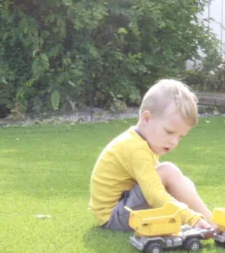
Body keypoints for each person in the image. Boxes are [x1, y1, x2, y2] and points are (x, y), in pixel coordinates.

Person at [90, 79, 215, 232]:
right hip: (115, 217)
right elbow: (154, 195)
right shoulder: (135, 148)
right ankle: (211, 224)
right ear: (146, 118)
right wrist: (191, 218)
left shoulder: (139, 142)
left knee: (183, 182)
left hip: (124, 208)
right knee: (168, 171)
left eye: (180, 136)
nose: (174, 141)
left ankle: (198, 221)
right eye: (169, 132)